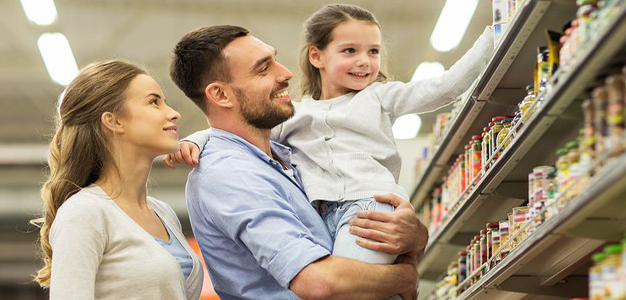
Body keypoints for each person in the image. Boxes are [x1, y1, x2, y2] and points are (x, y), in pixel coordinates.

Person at [172, 4, 493, 297]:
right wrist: (406, 276)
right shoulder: (234, 169)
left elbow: (445, 87)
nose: (285, 73)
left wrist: (417, 238)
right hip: (335, 216)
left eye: (373, 51)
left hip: (369, 206)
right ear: (317, 56)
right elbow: (324, 283)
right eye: (263, 67)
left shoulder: (287, 152)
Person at [31, 60, 203, 299]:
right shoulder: (84, 212)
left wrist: (200, 140)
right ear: (113, 121)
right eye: (154, 102)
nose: (174, 113)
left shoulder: (163, 213)